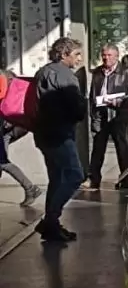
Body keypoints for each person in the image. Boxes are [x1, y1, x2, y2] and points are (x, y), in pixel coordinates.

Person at [33, 37, 88, 242]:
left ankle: (52, 226)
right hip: (60, 134)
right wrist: (83, 107)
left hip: (43, 134)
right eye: (76, 54)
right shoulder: (66, 75)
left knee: (56, 178)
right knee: (74, 175)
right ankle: (50, 219)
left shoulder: (44, 71)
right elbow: (76, 107)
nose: (79, 59)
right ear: (64, 54)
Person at [87, 44, 128, 189]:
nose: (106, 58)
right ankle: (94, 178)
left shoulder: (126, 73)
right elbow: (93, 94)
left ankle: (125, 178)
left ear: (117, 56)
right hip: (101, 115)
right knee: (98, 149)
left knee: (121, 148)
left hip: (118, 116)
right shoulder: (97, 72)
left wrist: (121, 100)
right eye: (104, 55)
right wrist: (93, 115)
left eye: (109, 55)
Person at [0, 111, 42, 206]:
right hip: (8, 124)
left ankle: (30, 188)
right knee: (2, 162)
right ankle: (31, 189)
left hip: (8, 124)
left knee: (2, 162)